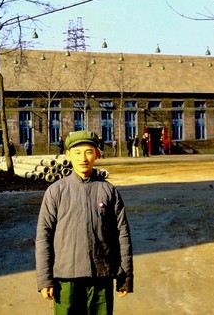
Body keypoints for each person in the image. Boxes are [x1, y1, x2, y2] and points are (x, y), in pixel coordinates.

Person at [36, 130, 134, 315]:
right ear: (68, 155)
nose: (83, 158)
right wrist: (45, 279)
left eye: (89, 151)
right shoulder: (56, 191)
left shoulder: (108, 191)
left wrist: (125, 277)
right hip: (65, 279)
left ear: (97, 154)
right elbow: (43, 236)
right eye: (77, 152)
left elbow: (122, 235)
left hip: (101, 277)